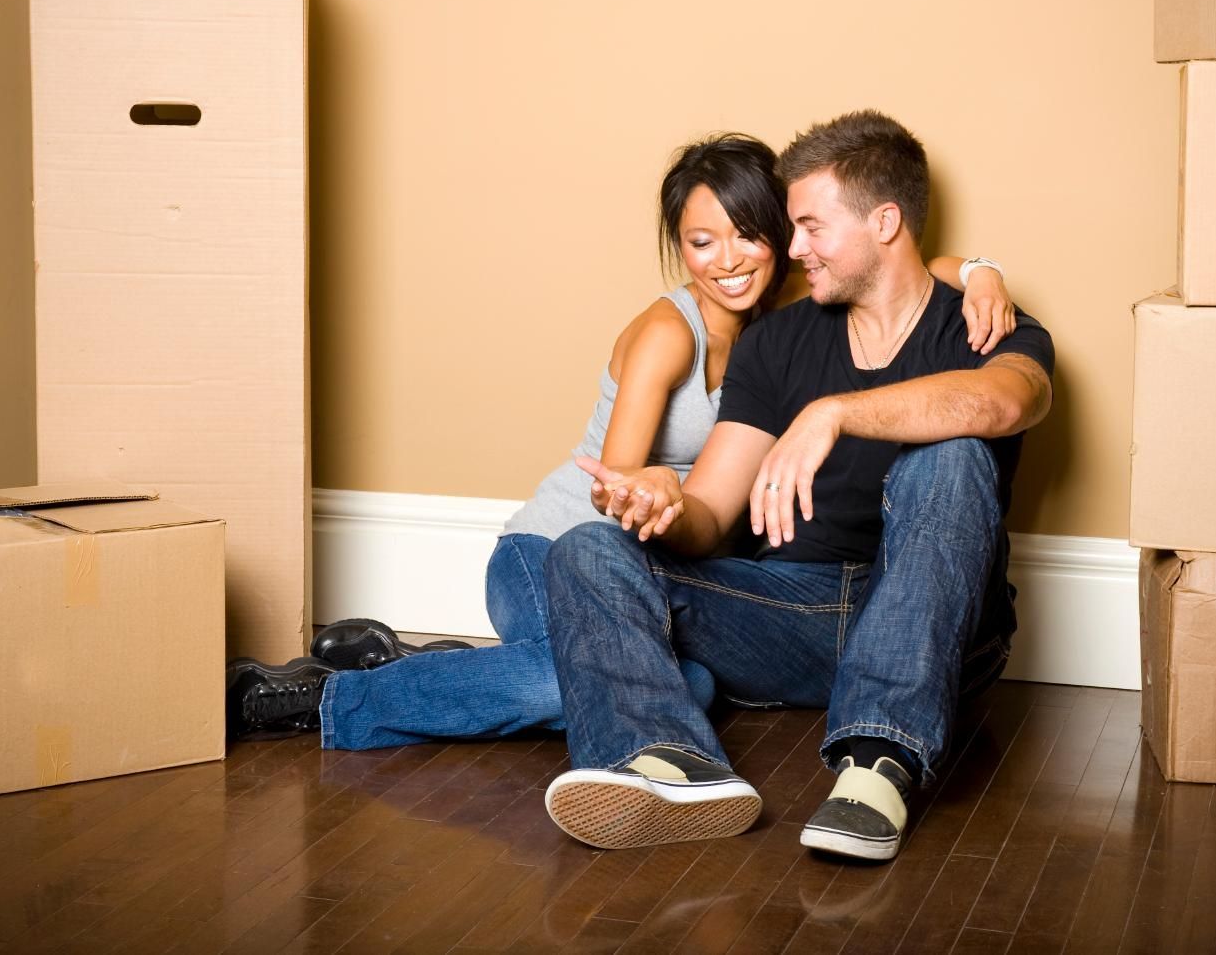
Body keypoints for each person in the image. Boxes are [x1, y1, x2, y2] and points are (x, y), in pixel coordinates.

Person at [224, 132, 1019, 752]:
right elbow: (620, 481)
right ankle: (311, 701)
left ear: (782, 237)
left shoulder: (792, 313)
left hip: (669, 557)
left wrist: (976, 268)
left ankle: (409, 665)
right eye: (701, 243)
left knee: (684, 685)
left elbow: (891, 255)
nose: (728, 260)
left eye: (748, 235)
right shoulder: (665, 334)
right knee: (581, 686)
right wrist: (643, 494)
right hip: (570, 544)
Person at [539, 109, 1054, 864]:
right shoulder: (777, 342)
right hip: (795, 613)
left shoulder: (982, 325)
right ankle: (668, 765)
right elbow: (712, 513)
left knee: (950, 456)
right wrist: (662, 504)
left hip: (938, 629)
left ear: (885, 222)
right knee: (587, 548)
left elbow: (1007, 402)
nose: (793, 248)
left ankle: (876, 765)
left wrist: (834, 415)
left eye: (810, 227)